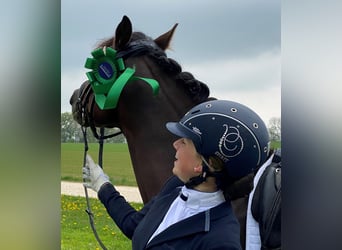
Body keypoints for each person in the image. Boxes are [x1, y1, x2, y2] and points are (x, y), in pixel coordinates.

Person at [83, 99, 270, 250]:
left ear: (204, 164)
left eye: (185, 142)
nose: (175, 144)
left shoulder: (220, 240)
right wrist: (103, 186)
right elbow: (135, 226)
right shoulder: (175, 189)